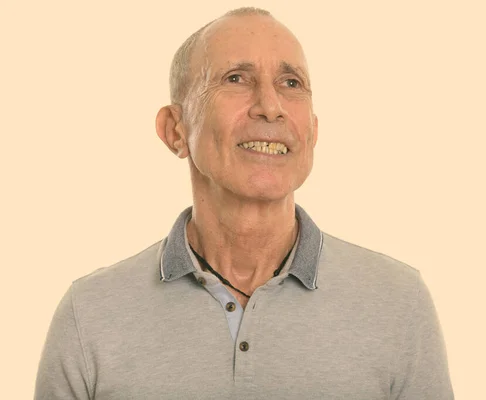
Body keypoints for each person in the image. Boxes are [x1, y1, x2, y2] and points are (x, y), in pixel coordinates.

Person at [35, 7, 454, 400]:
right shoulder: (88, 315)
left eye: (291, 83)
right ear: (175, 130)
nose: (270, 107)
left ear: (312, 131)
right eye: (236, 78)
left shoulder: (399, 303)